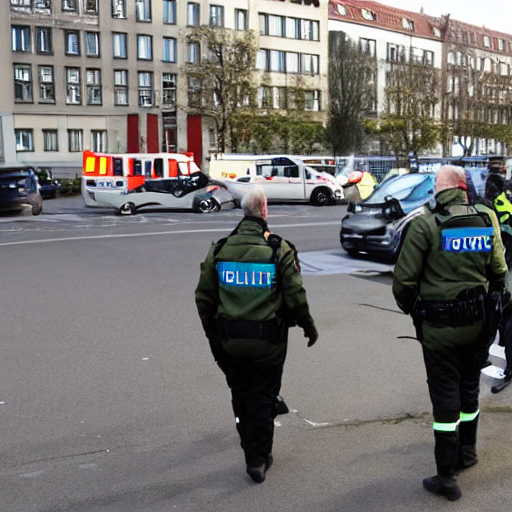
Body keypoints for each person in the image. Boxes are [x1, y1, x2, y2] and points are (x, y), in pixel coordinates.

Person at [393, 165, 507, 501]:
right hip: (478, 326)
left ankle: (446, 476)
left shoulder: (425, 223)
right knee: (470, 389)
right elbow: (499, 270)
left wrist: (413, 309)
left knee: (445, 398)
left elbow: (404, 282)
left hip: (439, 329)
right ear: (462, 186)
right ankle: (467, 453)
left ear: (440, 189)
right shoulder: (486, 219)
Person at [195, 186, 318, 483]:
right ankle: (259, 458)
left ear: (243, 211)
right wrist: (307, 325)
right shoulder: (278, 249)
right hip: (268, 344)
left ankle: (248, 445)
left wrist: (215, 338)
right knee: (263, 397)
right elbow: (295, 295)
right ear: (264, 211)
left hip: (230, 341)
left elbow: (204, 299)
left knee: (241, 395)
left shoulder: (220, 248)